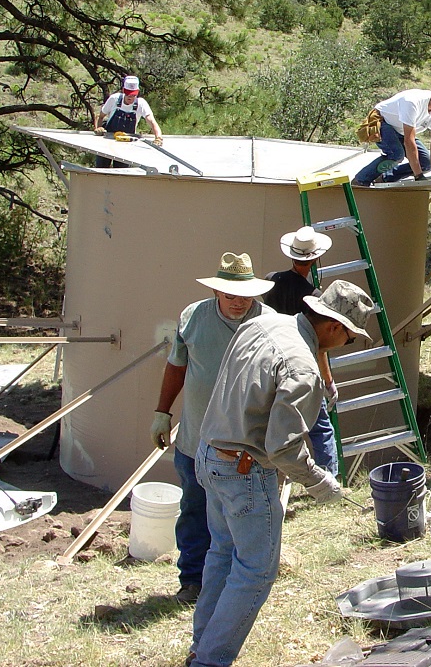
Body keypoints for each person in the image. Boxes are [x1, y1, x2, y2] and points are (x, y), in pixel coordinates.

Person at [189, 280, 370, 667]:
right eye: (350, 337)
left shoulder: (264, 323)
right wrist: (320, 482)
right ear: (334, 327)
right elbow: (282, 448)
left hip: (209, 454)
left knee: (222, 553)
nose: (347, 344)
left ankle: (201, 647)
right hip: (244, 471)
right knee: (255, 571)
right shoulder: (303, 369)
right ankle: (209, 661)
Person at [149, 253, 272, 604]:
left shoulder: (270, 323)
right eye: (231, 295)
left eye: (246, 295)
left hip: (247, 444)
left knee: (243, 513)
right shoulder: (193, 318)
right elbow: (176, 367)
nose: (239, 303)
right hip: (195, 438)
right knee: (194, 510)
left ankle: (238, 582)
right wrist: (162, 413)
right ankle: (192, 581)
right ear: (217, 292)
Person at [261, 226, 339, 477]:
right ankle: (329, 480)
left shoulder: (271, 279)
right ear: (315, 259)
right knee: (320, 428)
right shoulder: (314, 297)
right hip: (301, 365)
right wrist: (328, 381)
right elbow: (319, 346)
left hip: (271, 362)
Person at [352, 87, 431, 187]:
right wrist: (418, 176)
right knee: (396, 154)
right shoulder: (413, 102)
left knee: (425, 163)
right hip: (383, 122)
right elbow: (409, 141)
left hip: (401, 130)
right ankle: (360, 181)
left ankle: (384, 178)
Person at [93, 75, 164, 167]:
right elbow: (100, 116)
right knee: (100, 170)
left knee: (121, 174)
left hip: (126, 145)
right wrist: (98, 128)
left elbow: (152, 121)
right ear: (123, 91)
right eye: (127, 94)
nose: (130, 97)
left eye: (133, 95)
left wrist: (158, 137)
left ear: (137, 93)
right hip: (107, 142)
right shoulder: (114, 99)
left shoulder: (141, 104)